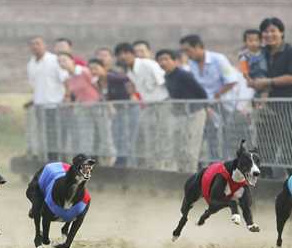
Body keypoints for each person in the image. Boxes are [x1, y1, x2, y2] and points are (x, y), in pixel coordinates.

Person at [248, 17, 292, 178]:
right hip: (265, 108)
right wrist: (253, 82)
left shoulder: (291, 51)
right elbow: (253, 77)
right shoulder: (260, 53)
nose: (269, 34)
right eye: (265, 31)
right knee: (264, 148)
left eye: (273, 31)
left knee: (289, 147)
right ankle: (265, 184)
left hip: (287, 107)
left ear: (281, 32)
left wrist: (267, 82)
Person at [180, 34, 238, 163]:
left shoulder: (218, 59)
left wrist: (214, 98)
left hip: (223, 105)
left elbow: (231, 81)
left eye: (188, 50)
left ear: (198, 47)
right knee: (210, 139)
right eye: (183, 51)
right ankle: (212, 166)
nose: (186, 54)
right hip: (205, 107)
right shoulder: (191, 63)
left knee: (226, 139)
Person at [114, 42, 172, 170]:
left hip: (164, 104)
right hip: (148, 107)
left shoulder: (148, 64)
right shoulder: (129, 72)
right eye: (120, 54)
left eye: (126, 53)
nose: (123, 57)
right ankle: (152, 167)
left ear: (132, 53)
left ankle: (165, 168)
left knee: (163, 137)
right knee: (148, 138)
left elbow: (165, 82)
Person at [58, 52, 115, 165]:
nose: (62, 63)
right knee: (85, 136)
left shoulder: (84, 71)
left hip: (98, 106)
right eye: (59, 61)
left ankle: (109, 161)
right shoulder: (67, 78)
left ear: (72, 61)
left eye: (64, 60)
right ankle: (85, 163)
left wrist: (108, 104)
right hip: (83, 108)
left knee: (105, 135)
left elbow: (98, 86)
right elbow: (74, 93)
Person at [156, 49, 208, 172]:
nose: (163, 62)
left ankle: (190, 174)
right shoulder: (167, 76)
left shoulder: (183, 74)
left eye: (166, 59)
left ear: (175, 61)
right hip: (179, 115)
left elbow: (201, 93)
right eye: (160, 60)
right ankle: (181, 173)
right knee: (179, 146)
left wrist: (204, 108)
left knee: (191, 147)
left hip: (194, 113)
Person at [88, 58, 139, 167]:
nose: (93, 71)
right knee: (117, 137)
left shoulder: (114, 77)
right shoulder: (98, 82)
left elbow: (128, 80)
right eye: (91, 69)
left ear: (104, 68)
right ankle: (121, 161)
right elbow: (104, 96)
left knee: (128, 137)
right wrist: (109, 105)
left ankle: (127, 162)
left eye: (96, 68)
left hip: (129, 109)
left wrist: (132, 95)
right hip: (117, 112)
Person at [27, 36, 68, 160]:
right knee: (44, 133)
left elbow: (65, 79)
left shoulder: (54, 60)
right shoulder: (31, 64)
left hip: (55, 105)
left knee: (57, 133)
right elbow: (34, 85)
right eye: (32, 44)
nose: (35, 46)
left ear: (44, 45)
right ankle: (49, 157)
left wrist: (67, 97)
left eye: (38, 43)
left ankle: (60, 158)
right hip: (40, 105)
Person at [238, 29, 268, 97]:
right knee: (254, 93)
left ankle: (262, 105)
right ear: (245, 42)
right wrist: (249, 79)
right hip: (253, 78)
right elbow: (244, 69)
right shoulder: (244, 55)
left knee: (265, 92)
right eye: (250, 41)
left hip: (266, 77)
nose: (253, 43)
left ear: (260, 41)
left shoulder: (264, 51)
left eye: (256, 40)